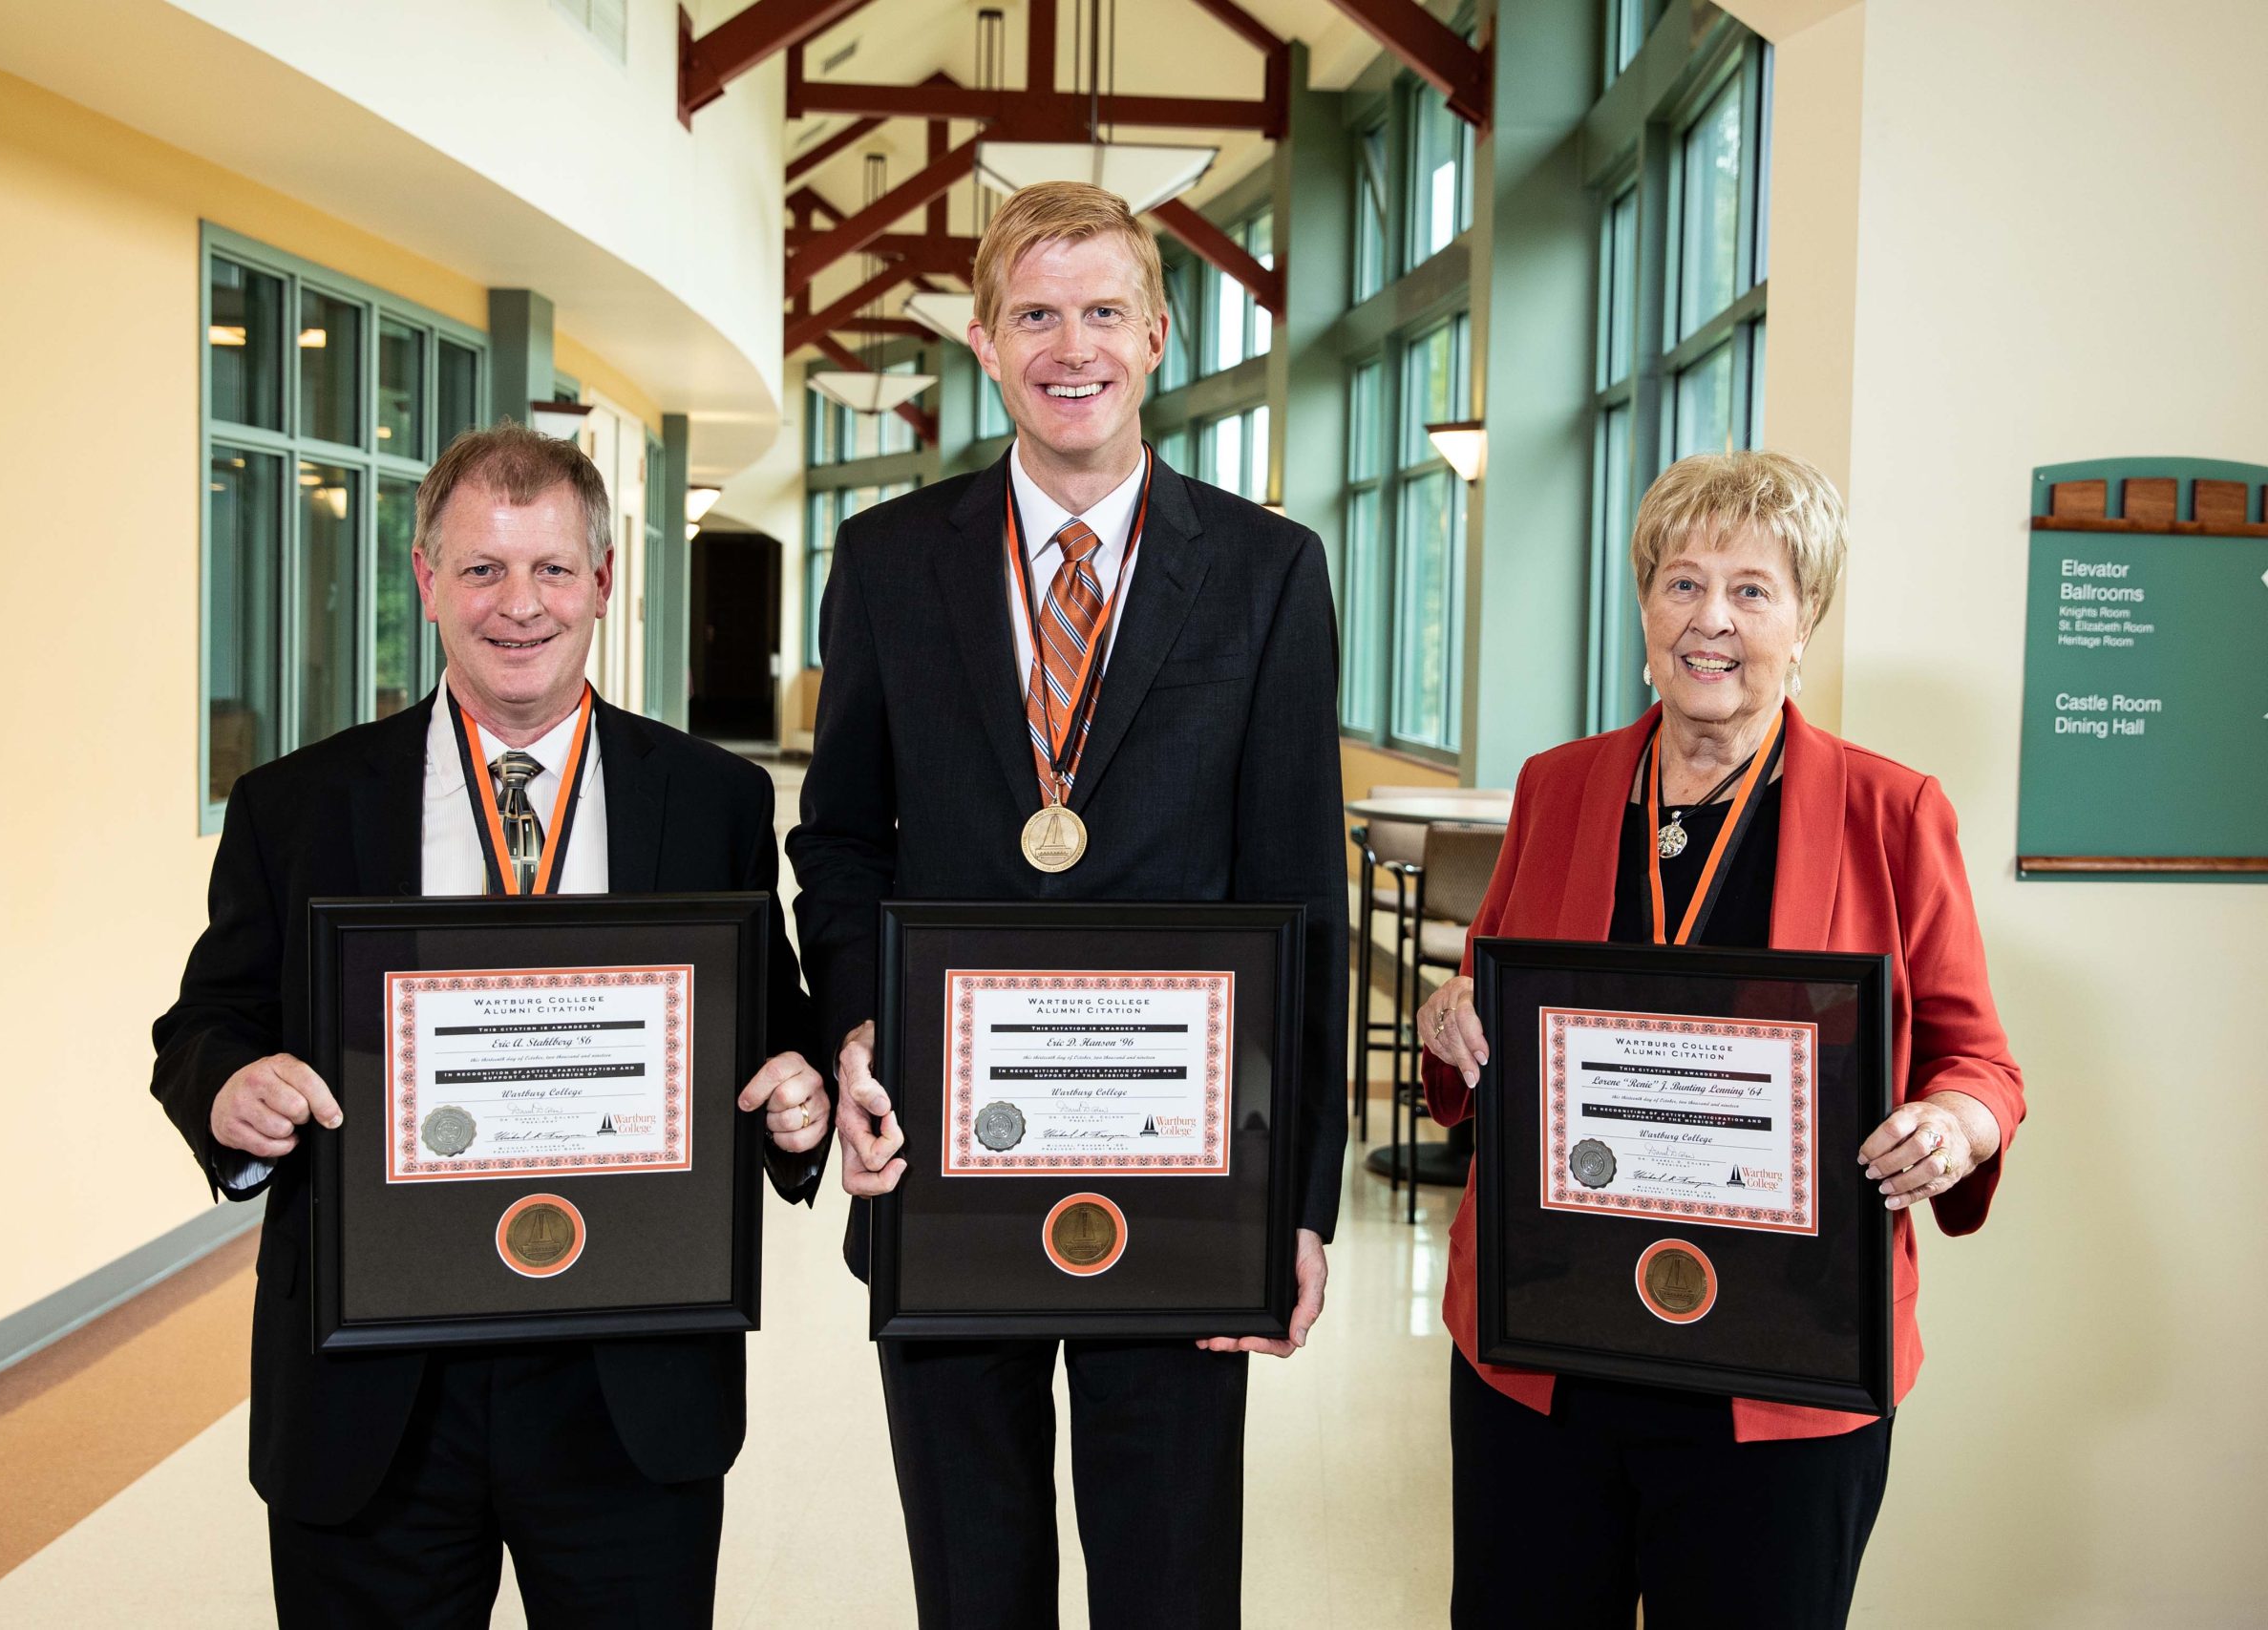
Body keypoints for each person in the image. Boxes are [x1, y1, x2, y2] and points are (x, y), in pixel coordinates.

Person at [149, 423, 832, 1628]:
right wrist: (228, 1089)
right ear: (424, 581)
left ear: (604, 583)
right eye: (480, 569)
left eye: (552, 570)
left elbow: (771, 1023)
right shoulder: (296, 804)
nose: (518, 606)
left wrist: (798, 1098)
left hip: (628, 1383)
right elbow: (205, 1019)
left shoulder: (712, 798)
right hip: (373, 1389)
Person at [787, 180, 1347, 1628]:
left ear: (1158, 332)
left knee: (1168, 1580)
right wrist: (853, 1031)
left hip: (1185, 1170)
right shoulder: (890, 560)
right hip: (944, 1160)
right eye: (1035, 312)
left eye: (1103, 309)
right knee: (975, 1581)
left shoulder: (1270, 571)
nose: (1070, 343)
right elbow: (841, 837)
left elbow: (1301, 894)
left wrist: (1298, 1193)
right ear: (983, 339)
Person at [1414, 450, 2026, 1628]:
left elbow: (1979, 1062)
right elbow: (1489, 995)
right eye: (1681, 583)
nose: (1712, 620)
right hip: (1546, 1347)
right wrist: (1451, 1014)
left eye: (1753, 590)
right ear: (1644, 606)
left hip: (1780, 1365)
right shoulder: (1559, 787)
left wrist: (1953, 1123)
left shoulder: (1890, 810)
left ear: (1806, 623)